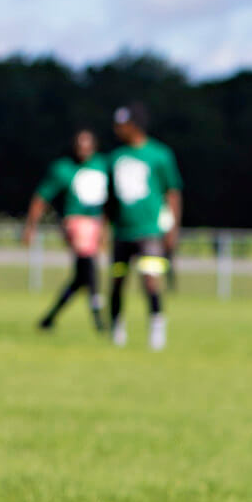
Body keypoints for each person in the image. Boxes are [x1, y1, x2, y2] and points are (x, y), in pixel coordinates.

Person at [107, 104, 183, 352]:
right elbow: (108, 198)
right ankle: (116, 327)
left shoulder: (160, 155)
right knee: (118, 279)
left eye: (122, 125)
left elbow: (173, 192)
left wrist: (172, 228)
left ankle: (156, 326)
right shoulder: (115, 157)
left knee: (151, 280)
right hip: (122, 231)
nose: (117, 129)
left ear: (135, 126)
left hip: (150, 229)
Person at [26, 129, 113, 334]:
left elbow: (111, 200)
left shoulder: (103, 166)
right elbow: (41, 198)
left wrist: (106, 227)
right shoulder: (63, 169)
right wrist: (31, 226)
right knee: (89, 266)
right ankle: (99, 321)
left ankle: (49, 319)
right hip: (75, 222)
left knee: (81, 277)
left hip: (96, 223)